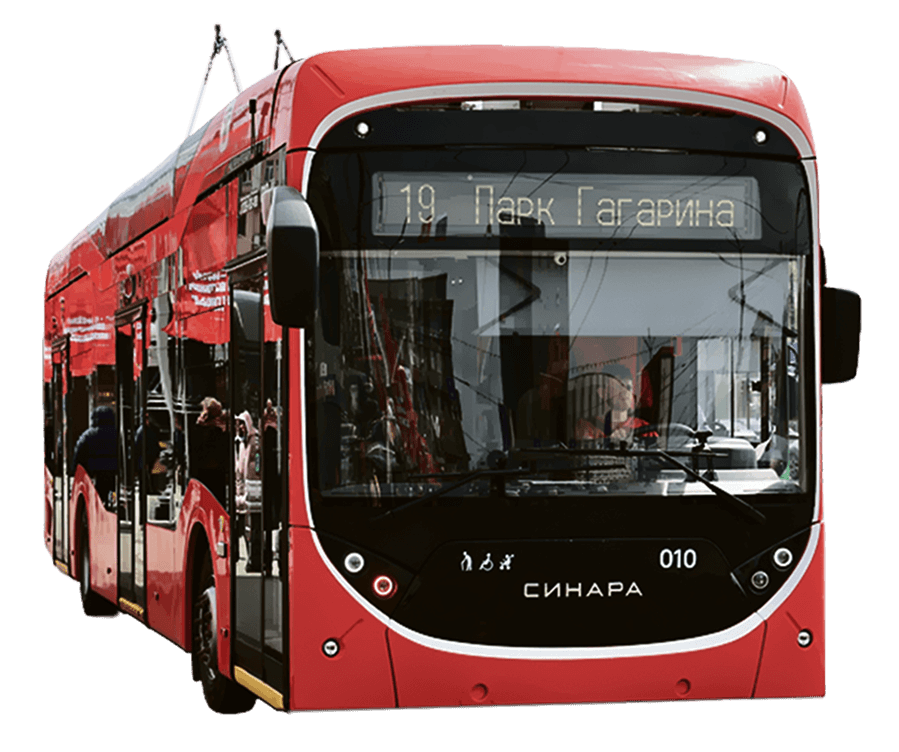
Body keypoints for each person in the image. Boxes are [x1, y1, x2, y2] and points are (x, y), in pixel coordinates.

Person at [575, 364, 653, 444]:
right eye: (618, 387)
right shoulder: (588, 426)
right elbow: (585, 449)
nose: (625, 392)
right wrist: (609, 443)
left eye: (629, 387)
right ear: (603, 393)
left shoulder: (645, 428)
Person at [72, 405, 117, 507]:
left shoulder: (88, 435)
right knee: (111, 494)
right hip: (112, 472)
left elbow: (79, 453)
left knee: (96, 497)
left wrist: (74, 470)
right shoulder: (117, 434)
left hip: (94, 472)